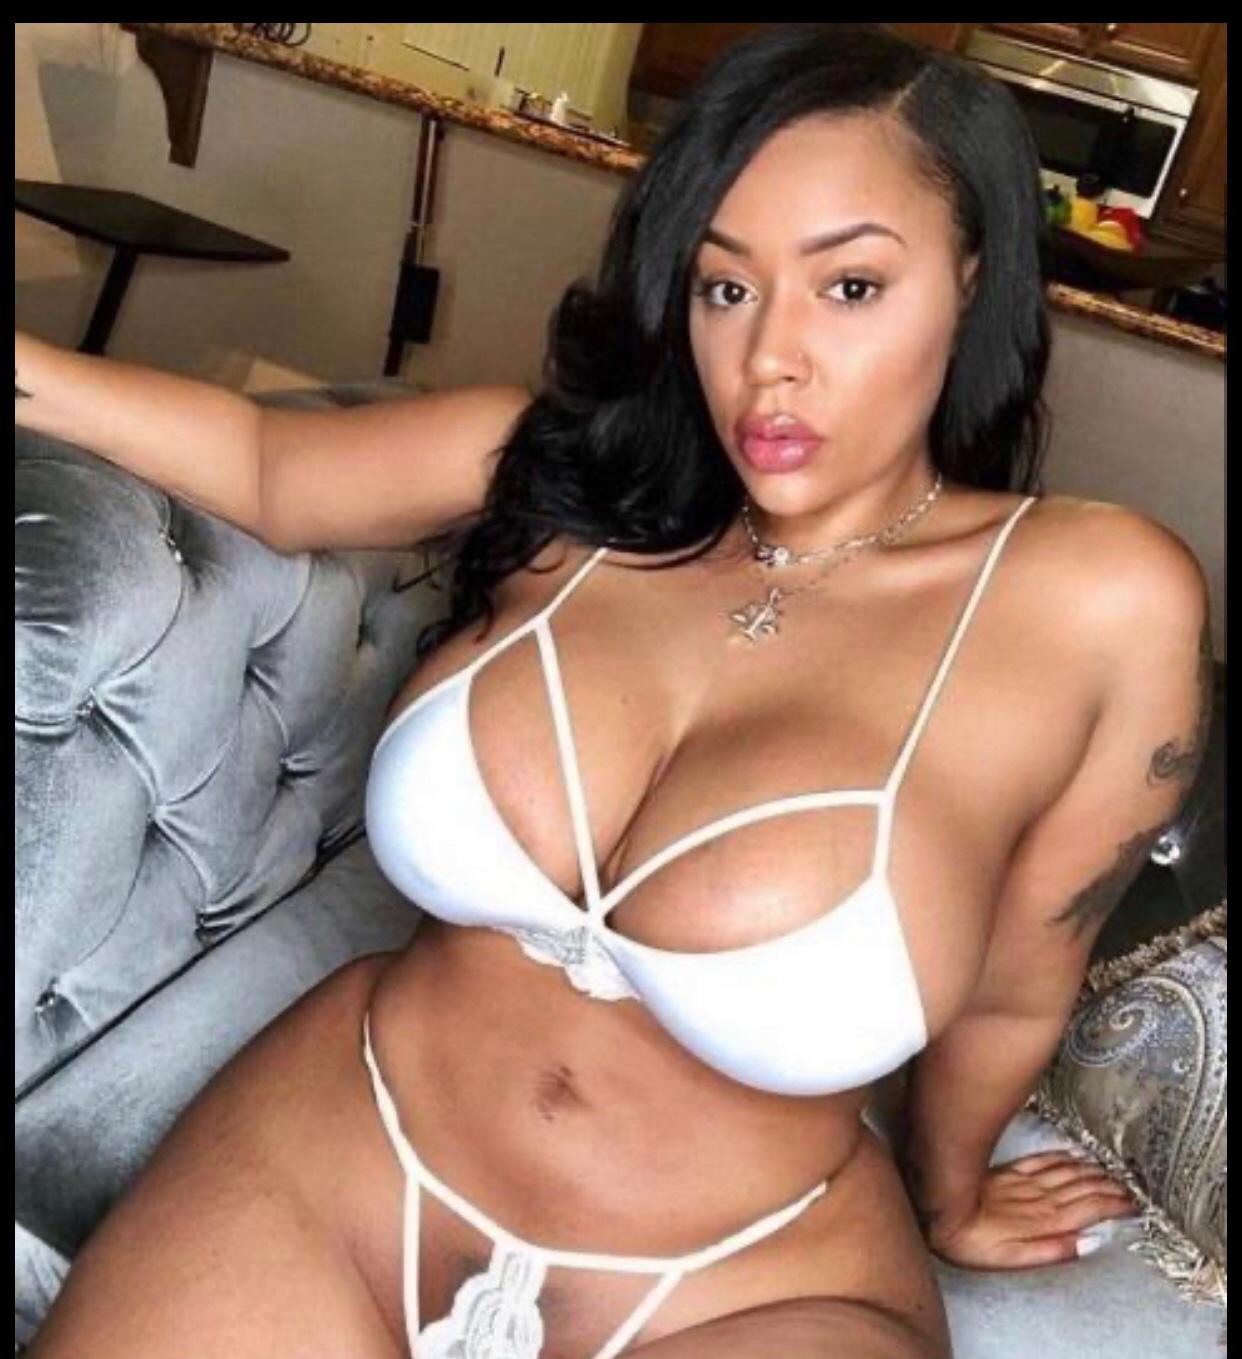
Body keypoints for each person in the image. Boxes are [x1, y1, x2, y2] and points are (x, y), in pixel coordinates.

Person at [17, 23, 1211, 1359]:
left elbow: (1014, 979)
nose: (771, 357)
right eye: (725, 286)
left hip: (746, 1284)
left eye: (850, 286)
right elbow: (263, 466)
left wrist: (953, 1199)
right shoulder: (576, 482)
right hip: (340, 1156)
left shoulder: (1094, 598)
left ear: (971, 281)